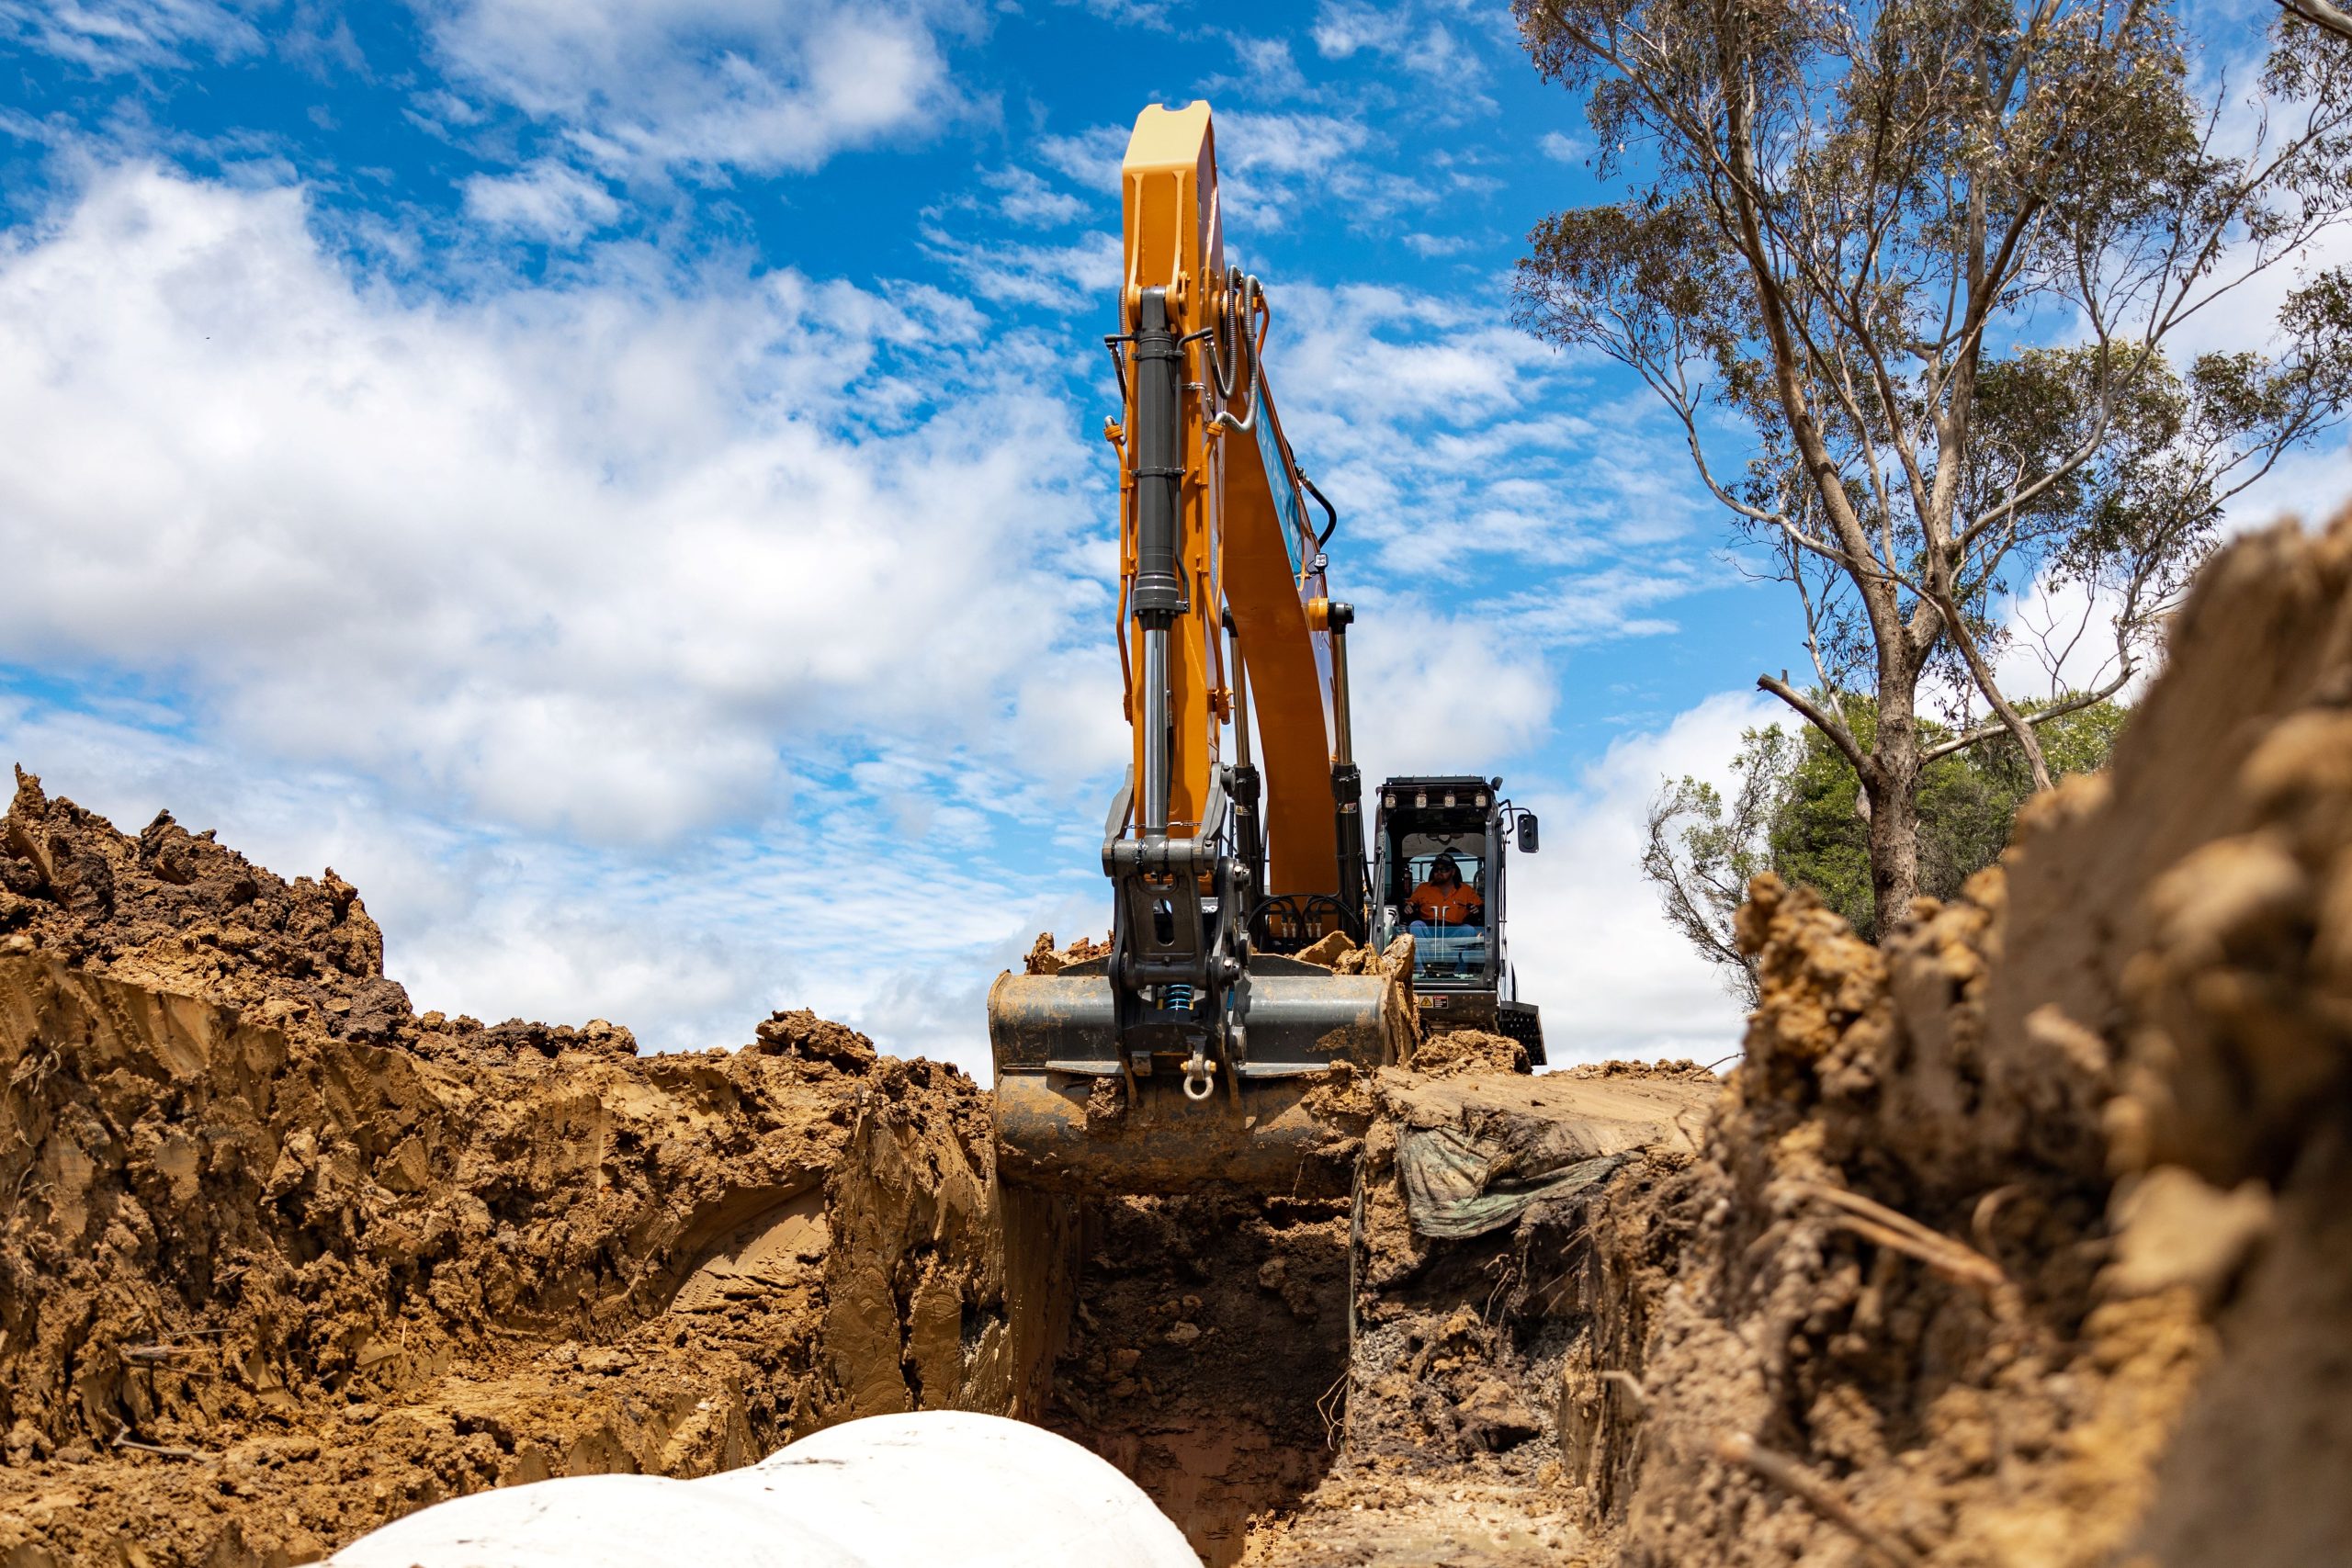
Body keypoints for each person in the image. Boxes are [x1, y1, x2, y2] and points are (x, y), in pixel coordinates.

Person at [1408, 853, 1483, 929]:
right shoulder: (1423, 888)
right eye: (1436, 869)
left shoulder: (1466, 890)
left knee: (1468, 929)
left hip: (1456, 930)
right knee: (1416, 925)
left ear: (1453, 872)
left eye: (1444, 869)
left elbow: (1480, 907)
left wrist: (1477, 909)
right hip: (1428, 930)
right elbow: (1409, 904)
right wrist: (1407, 907)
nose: (1439, 872)